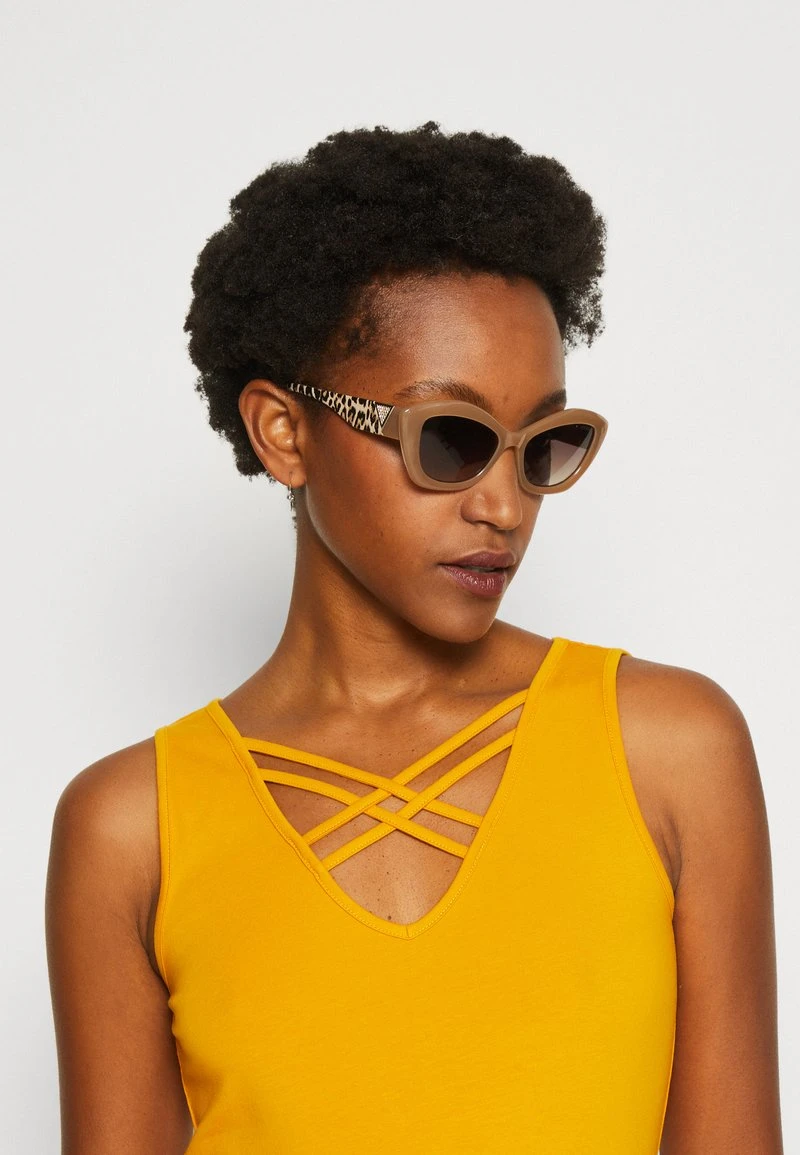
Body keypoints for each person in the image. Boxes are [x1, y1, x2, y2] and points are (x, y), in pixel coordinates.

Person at [45, 122, 783, 1153]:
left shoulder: (668, 751)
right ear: (283, 431)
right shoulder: (131, 829)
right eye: (451, 438)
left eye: (541, 446)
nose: (504, 506)